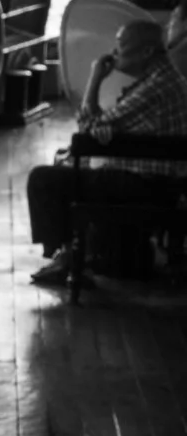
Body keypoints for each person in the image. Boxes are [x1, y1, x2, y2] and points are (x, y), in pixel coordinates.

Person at [27, 21, 187, 288]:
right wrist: (103, 128)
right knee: (74, 167)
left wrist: (95, 79)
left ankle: (66, 257)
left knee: (43, 179)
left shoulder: (154, 88)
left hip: (148, 187)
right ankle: (71, 254)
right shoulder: (167, 80)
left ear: (146, 52)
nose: (114, 51)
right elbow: (100, 127)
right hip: (166, 183)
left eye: (121, 44)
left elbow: (86, 132)